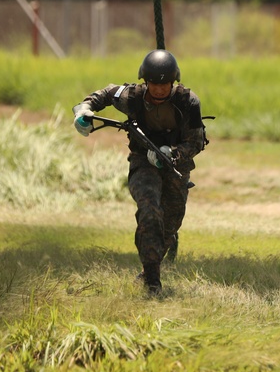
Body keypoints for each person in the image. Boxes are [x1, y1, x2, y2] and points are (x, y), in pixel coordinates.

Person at [73, 49, 208, 294]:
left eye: (164, 84)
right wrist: (84, 108)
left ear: (173, 82)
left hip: (175, 167)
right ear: (146, 82)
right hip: (142, 165)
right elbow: (105, 93)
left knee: (169, 225)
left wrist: (172, 153)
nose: (158, 89)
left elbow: (196, 142)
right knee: (149, 211)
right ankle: (153, 283)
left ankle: (148, 270)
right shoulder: (132, 97)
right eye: (153, 84)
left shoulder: (187, 102)